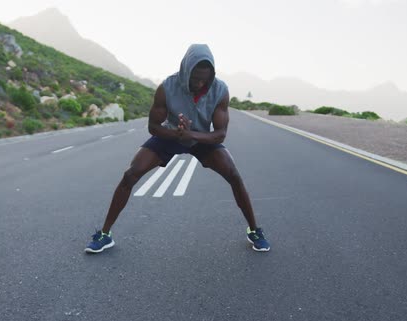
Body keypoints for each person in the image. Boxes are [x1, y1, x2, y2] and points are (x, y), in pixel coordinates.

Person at [85, 44, 270, 253]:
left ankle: (254, 230)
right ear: (185, 72)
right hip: (171, 135)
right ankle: (105, 234)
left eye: (205, 79)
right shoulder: (167, 88)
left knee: (234, 175)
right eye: (195, 79)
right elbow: (153, 127)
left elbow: (220, 134)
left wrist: (191, 135)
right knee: (131, 174)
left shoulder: (220, 90)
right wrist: (178, 134)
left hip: (202, 138)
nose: (200, 84)